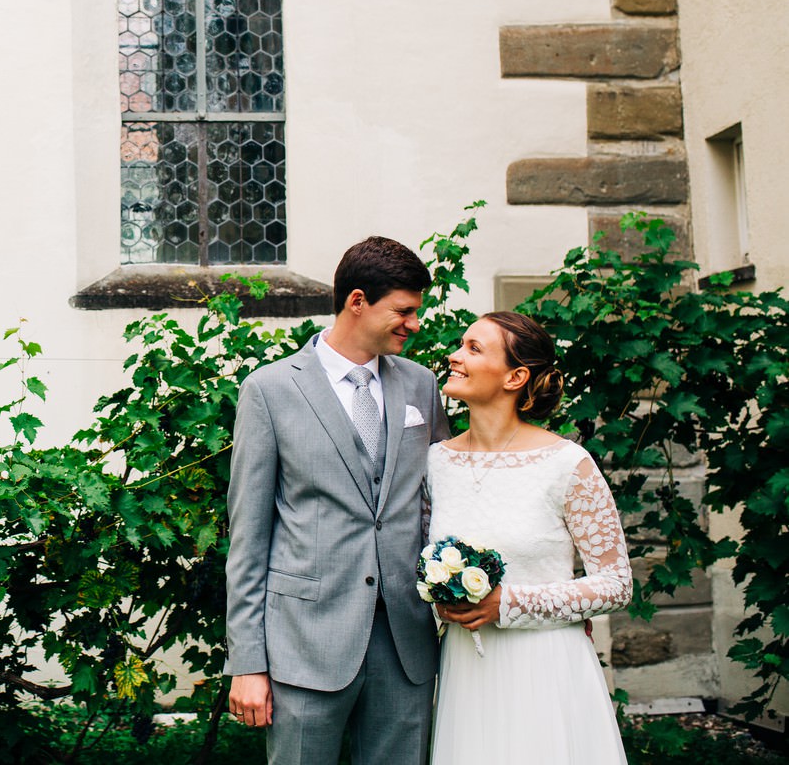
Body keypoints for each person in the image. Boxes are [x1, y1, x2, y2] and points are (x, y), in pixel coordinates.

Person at [225, 236, 450, 765]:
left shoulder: (421, 385)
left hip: (404, 642)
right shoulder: (270, 390)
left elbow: (445, 500)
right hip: (305, 642)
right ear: (357, 301)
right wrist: (248, 663)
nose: (414, 324)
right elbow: (248, 536)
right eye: (403, 311)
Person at [428, 311, 630, 764]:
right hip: (467, 670)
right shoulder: (435, 463)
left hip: (546, 666)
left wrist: (510, 603)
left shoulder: (566, 464)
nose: (455, 356)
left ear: (515, 377)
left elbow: (616, 584)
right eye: (461, 345)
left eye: (473, 349)